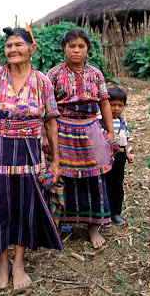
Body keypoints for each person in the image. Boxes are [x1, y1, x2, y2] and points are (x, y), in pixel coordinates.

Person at [0, 26, 63, 291]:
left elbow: (51, 121)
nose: (12, 50)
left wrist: (55, 161)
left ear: (31, 49)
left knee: (25, 205)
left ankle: (19, 262)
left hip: (29, 150)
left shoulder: (42, 82)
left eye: (18, 45)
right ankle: (2, 262)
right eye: (8, 45)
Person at [46, 28, 115, 248]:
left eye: (81, 46)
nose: (76, 50)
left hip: (91, 127)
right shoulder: (54, 74)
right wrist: (44, 135)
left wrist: (110, 131)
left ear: (87, 49)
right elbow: (45, 107)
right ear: (64, 48)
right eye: (72, 46)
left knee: (95, 176)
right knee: (61, 176)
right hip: (62, 127)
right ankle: (57, 226)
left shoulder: (95, 74)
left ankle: (93, 227)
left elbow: (104, 101)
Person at [103, 87, 135, 224]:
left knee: (117, 184)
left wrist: (127, 153)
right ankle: (104, 213)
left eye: (120, 105)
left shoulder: (123, 122)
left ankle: (116, 213)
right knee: (105, 184)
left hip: (119, 157)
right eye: (112, 105)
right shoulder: (100, 121)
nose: (116, 108)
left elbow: (124, 139)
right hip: (105, 157)